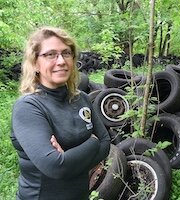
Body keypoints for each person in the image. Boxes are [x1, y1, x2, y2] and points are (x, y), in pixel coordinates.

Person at [10, 26, 111, 200]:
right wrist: (92, 142)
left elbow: (106, 144)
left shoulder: (82, 99)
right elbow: (56, 167)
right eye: (50, 54)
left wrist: (69, 157)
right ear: (35, 63)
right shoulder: (29, 107)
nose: (61, 61)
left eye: (66, 53)